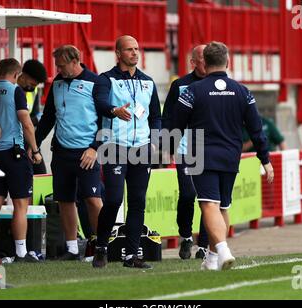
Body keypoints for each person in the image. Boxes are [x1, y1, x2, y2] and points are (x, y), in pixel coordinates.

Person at [170, 41, 274, 271]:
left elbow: (176, 126)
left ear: (204, 63)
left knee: (209, 205)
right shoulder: (242, 91)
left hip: (201, 153)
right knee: (223, 206)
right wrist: (265, 159)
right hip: (230, 155)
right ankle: (211, 258)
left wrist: (172, 149)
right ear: (228, 62)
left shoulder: (191, 91)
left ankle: (224, 250)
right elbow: (256, 129)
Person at [92, 35, 161, 269]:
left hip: (142, 149)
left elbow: (156, 117)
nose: (134, 53)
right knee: (112, 200)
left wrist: (154, 141)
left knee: (138, 202)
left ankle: (132, 256)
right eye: (129, 49)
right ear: (118, 53)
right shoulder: (106, 79)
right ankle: (101, 246)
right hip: (115, 147)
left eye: (137, 48)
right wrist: (113, 110)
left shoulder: (148, 82)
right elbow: (99, 102)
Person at [35, 45, 103, 260]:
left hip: (87, 152)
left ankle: (102, 246)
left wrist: (95, 147)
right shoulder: (56, 83)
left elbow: (106, 120)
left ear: (75, 61)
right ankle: (73, 249)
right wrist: (34, 143)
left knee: (93, 199)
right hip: (62, 152)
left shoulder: (96, 82)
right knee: (65, 200)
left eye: (62, 65)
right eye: (57, 65)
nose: (59, 69)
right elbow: (48, 117)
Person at [0, 58, 42, 263]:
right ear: (16, 74)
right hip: (14, 153)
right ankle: (21, 253)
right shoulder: (16, 91)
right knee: (20, 205)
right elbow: (26, 122)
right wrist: (35, 149)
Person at [162, 45, 209, 260]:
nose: (207, 62)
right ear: (193, 62)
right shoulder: (180, 85)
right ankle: (186, 236)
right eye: (202, 58)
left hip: (212, 149)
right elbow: (168, 118)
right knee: (188, 194)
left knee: (209, 199)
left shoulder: (219, 85)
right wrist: (167, 146)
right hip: (186, 150)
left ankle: (205, 245)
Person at [17, 59, 48, 174]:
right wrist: (34, 120)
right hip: (15, 141)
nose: (33, 87)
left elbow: (35, 116)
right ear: (23, 75)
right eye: (32, 83)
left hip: (28, 138)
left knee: (41, 173)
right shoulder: (12, 89)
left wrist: (33, 145)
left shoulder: (33, 91)